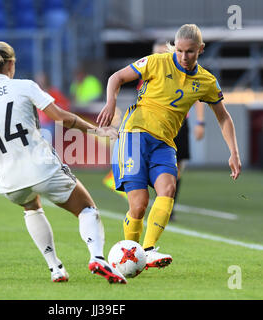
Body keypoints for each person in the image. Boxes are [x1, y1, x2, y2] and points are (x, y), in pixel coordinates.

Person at [0, 41, 127, 284]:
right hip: (41, 167)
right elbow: (61, 117)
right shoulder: (24, 87)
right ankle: (97, 258)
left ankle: (56, 269)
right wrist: (97, 131)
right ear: (10, 64)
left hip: (9, 180)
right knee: (87, 209)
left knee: (31, 206)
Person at [97, 24, 241, 269]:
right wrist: (111, 103)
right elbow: (117, 77)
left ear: (201, 50)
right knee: (139, 205)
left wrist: (234, 152)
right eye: (181, 51)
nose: (184, 57)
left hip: (164, 143)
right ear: (175, 47)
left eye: (191, 52)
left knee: (168, 188)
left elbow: (224, 116)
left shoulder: (206, 81)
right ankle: (128, 257)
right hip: (134, 136)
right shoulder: (156, 62)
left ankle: (149, 249)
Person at [102, 40, 206, 220]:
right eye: (155, 53)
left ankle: (167, 204)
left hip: (178, 125)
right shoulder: (146, 71)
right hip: (147, 127)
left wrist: (200, 122)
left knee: (177, 165)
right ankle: (143, 198)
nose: (158, 56)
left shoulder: (184, 72)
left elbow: (198, 97)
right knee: (143, 165)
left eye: (162, 52)